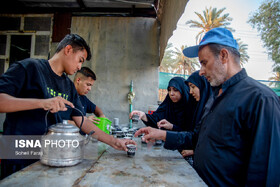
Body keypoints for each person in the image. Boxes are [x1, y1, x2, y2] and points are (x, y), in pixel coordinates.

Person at [134, 28, 280, 186]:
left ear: (223, 56)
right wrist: (161, 134)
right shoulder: (215, 96)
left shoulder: (261, 99)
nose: (201, 72)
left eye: (204, 63)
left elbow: (264, 173)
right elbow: (197, 138)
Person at [0, 34, 135, 179]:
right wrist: (42, 103)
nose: (79, 67)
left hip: (52, 157)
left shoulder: (68, 86)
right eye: (80, 60)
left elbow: (83, 122)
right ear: (68, 49)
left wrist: (114, 141)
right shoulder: (30, 68)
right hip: (20, 154)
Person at [130, 77, 196, 132]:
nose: (171, 93)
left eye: (175, 90)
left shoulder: (192, 108)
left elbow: (191, 134)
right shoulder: (168, 104)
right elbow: (156, 120)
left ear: (183, 90)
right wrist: (143, 115)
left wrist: (172, 127)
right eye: (169, 90)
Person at [180, 70, 212, 165]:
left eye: (193, 87)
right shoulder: (197, 108)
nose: (190, 92)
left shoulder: (211, 111)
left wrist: (195, 151)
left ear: (203, 87)